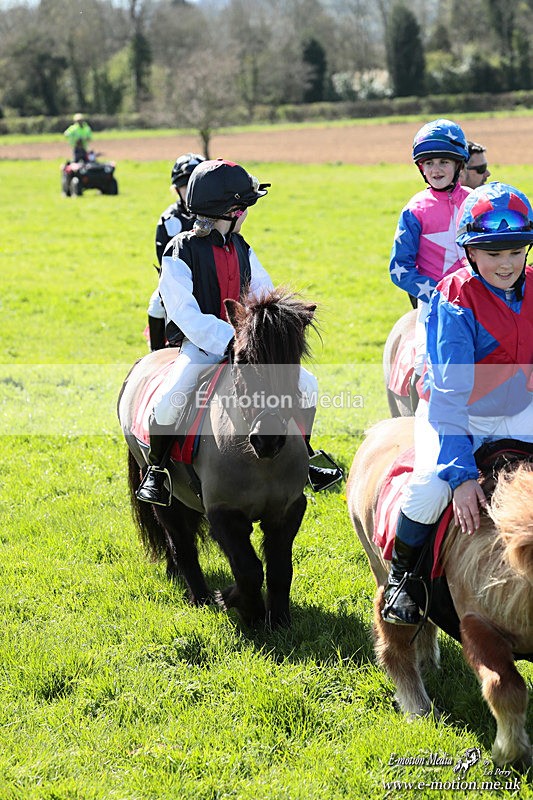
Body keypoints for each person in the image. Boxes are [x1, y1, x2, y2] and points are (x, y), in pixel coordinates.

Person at [136, 158, 343, 505]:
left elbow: (264, 293)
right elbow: (183, 312)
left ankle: (305, 455)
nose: (247, 212)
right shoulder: (180, 250)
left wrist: (273, 327)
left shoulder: (243, 248)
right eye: (244, 206)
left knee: (307, 384)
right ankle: (156, 470)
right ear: (230, 209)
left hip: (248, 347)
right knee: (171, 398)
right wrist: (230, 339)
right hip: (201, 348)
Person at [383, 181, 533, 625]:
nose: (506, 264)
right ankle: (402, 579)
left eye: (515, 251)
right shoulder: (454, 298)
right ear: (468, 251)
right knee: (431, 486)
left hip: (518, 405)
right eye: (492, 253)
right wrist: (464, 476)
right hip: (457, 411)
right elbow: (449, 395)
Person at [389, 118, 471, 410]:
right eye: (429, 163)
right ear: (420, 168)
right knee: (423, 368)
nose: (436, 170)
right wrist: (438, 292)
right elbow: (399, 269)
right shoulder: (414, 210)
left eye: (444, 162)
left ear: (459, 165)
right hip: (434, 305)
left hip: (478, 299)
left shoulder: (475, 203)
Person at [147, 153, 205, 351]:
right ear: (176, 189)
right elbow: (163, 258)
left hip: (212, 276)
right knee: (156, 304)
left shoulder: (217, 217)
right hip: (180, 281)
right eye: (184, 186)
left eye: (194, 185)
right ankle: (154, 353)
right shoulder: (169, 220)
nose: (189, 191)